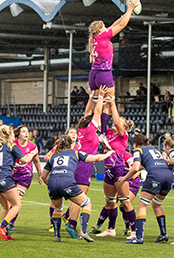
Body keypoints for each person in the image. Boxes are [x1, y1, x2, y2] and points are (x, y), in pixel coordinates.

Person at [41, 135, 115, 242]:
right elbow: (97, 158)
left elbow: (43, 176)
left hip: (52, 182)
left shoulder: (53, 156)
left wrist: (51, 185)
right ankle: (83, 231)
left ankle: (57, 236)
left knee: (57, 209)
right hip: (67, 182)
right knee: (86, 203)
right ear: (71, 144)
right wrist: (108, 153)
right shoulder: (76, 153)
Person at [88, 0, 140, 134]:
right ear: (100, 29)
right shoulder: (103, 36)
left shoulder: (95, 38)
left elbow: (116, 23)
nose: (106, 27)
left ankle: (88, 128)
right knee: (108, 103)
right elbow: (121, 26)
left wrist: (126, 14)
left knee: (93, 102)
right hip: (104, 74)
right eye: (104, 26)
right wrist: (130, 8)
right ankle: (103, 132)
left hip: (93, 74)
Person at [63, 86, 107, 239]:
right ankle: (72, 225)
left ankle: (69, 220)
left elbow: (87, 113)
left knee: (77, 196)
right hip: (83, 166)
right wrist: (100, 97)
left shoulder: (80, 130)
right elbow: (97, 113)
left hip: (75, 165)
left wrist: (91, 97)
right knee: (80, 197)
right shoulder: (89, 131)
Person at [90, 97, 136, 238]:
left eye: (120, 123)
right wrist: (105, 102)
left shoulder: (123, 135)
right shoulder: (108, 133)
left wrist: (114, 103)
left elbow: (116, 121)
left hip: (119, 170)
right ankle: (111, 229)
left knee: (125, 202)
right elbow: (103, 120)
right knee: (110, 202)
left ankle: (134, 232)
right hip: (108, 170)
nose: (116, 123)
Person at [118, 133, 174, 244]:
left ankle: (138, 237)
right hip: (168, 175)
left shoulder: (138, 150)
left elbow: (135, 167)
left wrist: (124, 178)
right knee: (157, 205)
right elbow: (150, 163)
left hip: (156, 176)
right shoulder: (153, 148)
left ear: (134, 144)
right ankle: (163, 234)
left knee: (142, 206)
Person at [0, 125, 35, 241]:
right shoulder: (11, 145)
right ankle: (2, 227)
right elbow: (24, 160)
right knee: (17, 204)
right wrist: (32, 154)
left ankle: (5, 233)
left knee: (5, 205)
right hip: (3, 177)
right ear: (10, 135)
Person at [44, 128, 79, 232]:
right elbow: (47, 157)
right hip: (58, 175)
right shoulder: (59, 147)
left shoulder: (78, 147)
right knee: (56, 202)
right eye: (71, 133)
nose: (73, 135)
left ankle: (68, 219)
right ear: (67, 135)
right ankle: (52, 224)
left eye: (75, 133)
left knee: (75, 200)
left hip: (71, 176)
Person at [8, 125, 42, 230]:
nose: (26, 133)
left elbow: (36, 161)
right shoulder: (13, 145)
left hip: (25, 175)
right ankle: (6, 220)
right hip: (12, 174)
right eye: (23, 131)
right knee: (9, 200)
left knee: (17, 198)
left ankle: (10, 222)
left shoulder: (32, 146)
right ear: (18, 134)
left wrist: (40, 175)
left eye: (27, 131)